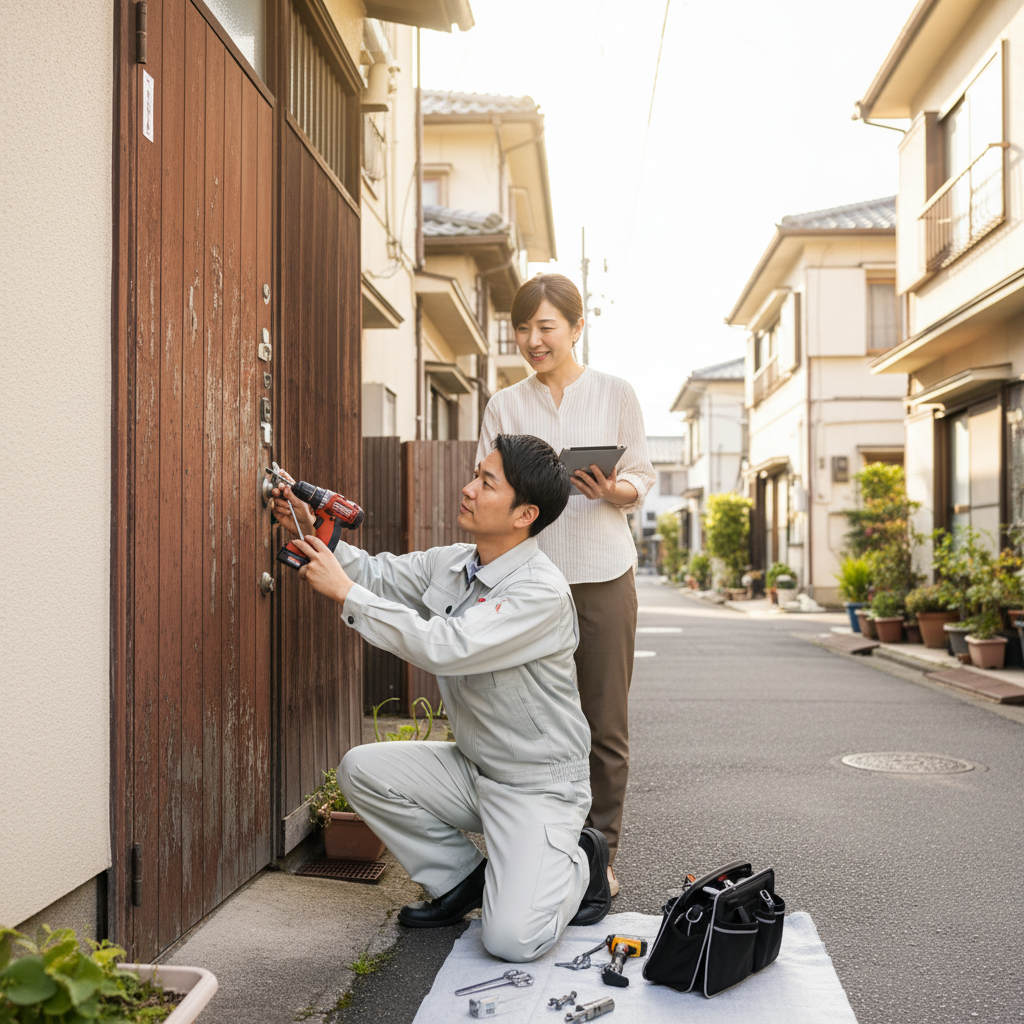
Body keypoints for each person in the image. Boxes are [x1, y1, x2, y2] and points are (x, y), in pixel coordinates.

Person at [271, 433, 610, 963]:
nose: (469, 488)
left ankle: (582, 866)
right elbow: (378, 574)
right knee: (362, 769)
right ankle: (460, 882)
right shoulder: (455, 563)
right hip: (475, 770)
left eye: (486, 482)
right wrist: (317, 531)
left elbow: (448, 647)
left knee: (512, 942)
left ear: (525, 514)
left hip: (537, 788)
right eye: (476, 474)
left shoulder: (539, 592)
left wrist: (345, 593)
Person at [477, 274, 655, 899]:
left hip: (604, 573)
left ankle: (600, 851)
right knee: (527, 722)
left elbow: (642, 477)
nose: (532, 340)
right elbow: (488, 488)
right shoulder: (505, 404)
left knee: (603, 722)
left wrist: (613, 490)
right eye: (522, 328)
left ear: (577, 328)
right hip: (531, 582)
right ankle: (535, 847)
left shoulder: (615, 392)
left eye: (545, 327)